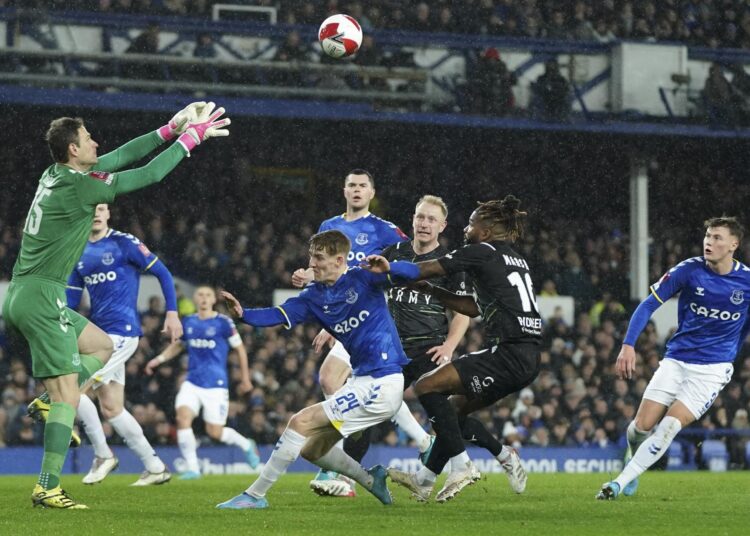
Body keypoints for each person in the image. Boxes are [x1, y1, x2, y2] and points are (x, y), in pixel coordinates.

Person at [2, 102, 230, 509]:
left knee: (101, 346)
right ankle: (47, 485)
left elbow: (120, 156)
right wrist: (190, 140)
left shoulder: (55, 174)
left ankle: (51, 401)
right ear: (73, 149)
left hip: (24, 292)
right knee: (70, 394)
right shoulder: (82, 186)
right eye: (88, 139)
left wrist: (169, 128)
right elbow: (149, 174)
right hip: (42, 295)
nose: (96, 142)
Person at [216, 230, 417, 509]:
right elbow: (279, 314)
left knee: (299, 422)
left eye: (319, 258)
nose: (312, 264)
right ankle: (372, 480)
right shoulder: (314, 296)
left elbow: (414, 272)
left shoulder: (363, 277)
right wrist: (243, 314)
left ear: (338, 260)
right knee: (313, 449)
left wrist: (390, 267)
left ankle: (255, 495)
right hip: (360, 380)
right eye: (311, 256)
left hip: (384, 382)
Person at [364, 195, 539, 502]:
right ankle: (428, 478)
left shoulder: (480, 251)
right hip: (526, 356)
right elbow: (471, 308)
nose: (467, 227)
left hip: (507, 352)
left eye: (472, 223)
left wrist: (393, 267)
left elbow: (430, 267)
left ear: (485, 231)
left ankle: (462, 466)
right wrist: (431, 291)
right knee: (452, 412)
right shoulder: (513, 257)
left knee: (427, 387)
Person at [292, 169, 430, 497]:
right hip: (344, 318)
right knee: (335, 380)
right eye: (351, 185)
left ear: (371, 192)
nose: (356, 190)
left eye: (362, 186)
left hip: (373, 318)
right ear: (344, 190)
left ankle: (348, 438)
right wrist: (308, 278)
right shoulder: (328, 226)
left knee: (334, 378)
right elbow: (323, 271)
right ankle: (419, 440)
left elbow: (412, 258)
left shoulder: (384, 230)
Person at [596, 217, 750, 500]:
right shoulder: (688, 270)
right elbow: (648, 304)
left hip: (711, 371)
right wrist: (628, 344)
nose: (709, 242)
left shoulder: (747, 282)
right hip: (676, 360)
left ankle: (618, 483)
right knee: (639, 428)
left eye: (717, 237)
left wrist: (731, 353)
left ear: (733, 245)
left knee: (669, 426)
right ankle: (633, 458)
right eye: (707, 236)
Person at [341, 195, 470, 470]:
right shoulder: (392, 253)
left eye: (431, 219)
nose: (424, 223)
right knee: (368, 408)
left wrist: (449, 346)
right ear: (412, 219)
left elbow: (462, 312)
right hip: (390, 349)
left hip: (429, 347)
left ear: (442, 226)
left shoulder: (450, 263)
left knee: (441, 410)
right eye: (420, 217)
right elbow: (361, 289)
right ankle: (345, 474)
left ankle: (459, 465)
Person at [66, 203, 180, 486]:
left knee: (73, 389)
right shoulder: (77, 251)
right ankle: (155, 466)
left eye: (100, 208)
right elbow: (70, 301)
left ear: (108, 213)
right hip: (98, 337)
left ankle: (103, 455)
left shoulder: (124, 242)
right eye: (90, 207)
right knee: (112, 408)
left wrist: (172, 313)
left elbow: (163, 273)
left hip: (122, 333)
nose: (95, 212)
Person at [145, 286, 258, 480]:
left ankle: (246, 445)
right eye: (200, 295)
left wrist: (245, 378)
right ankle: (193, 469)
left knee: (214, 432)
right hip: (192, 382)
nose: (204, 298)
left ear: (214, 300)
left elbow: (240, 350)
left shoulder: (224, 323)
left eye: (208, 295)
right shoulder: (188, 322)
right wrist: (159, 359)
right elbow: (178, 345)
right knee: (182, 418)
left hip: (216, 385)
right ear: (196, 299)